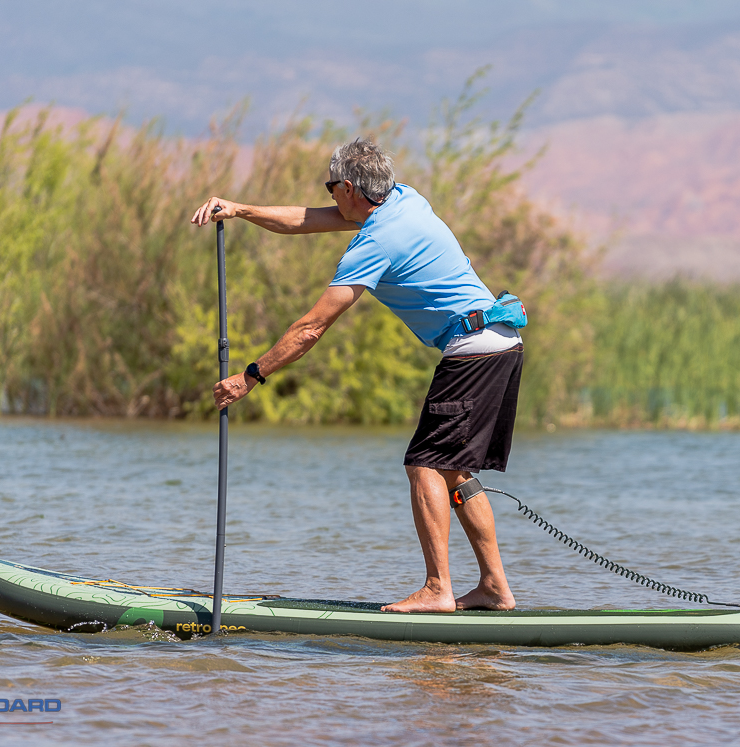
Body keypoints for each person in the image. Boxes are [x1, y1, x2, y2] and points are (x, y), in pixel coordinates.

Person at [190, 139, 523, 613]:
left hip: (474, 351)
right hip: (500, 342)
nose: (328, 199)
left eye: (331, 189)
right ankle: (493, 588)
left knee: (424, 463)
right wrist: (240, 210)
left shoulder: (377, 242)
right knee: (452, 470)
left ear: (348, 187)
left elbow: (310, 329)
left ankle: (438, 589)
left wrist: (250, 376)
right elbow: (308, 220)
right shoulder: (405, 198)